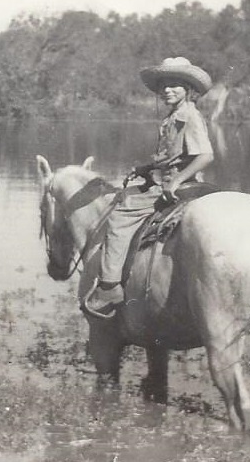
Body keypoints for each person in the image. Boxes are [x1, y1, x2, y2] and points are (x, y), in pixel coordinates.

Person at [83, 57, 215, 319]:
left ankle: (109, 287)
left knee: (120, 216)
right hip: (163, 179)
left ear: (188, 88)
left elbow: (206, 155)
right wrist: (145, 169)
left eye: (175, 84)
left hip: (174, 185)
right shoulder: (175, 115)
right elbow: (174, 156)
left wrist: (176, 181)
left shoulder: (188, 116)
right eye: (164, 84)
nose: (168, 89)